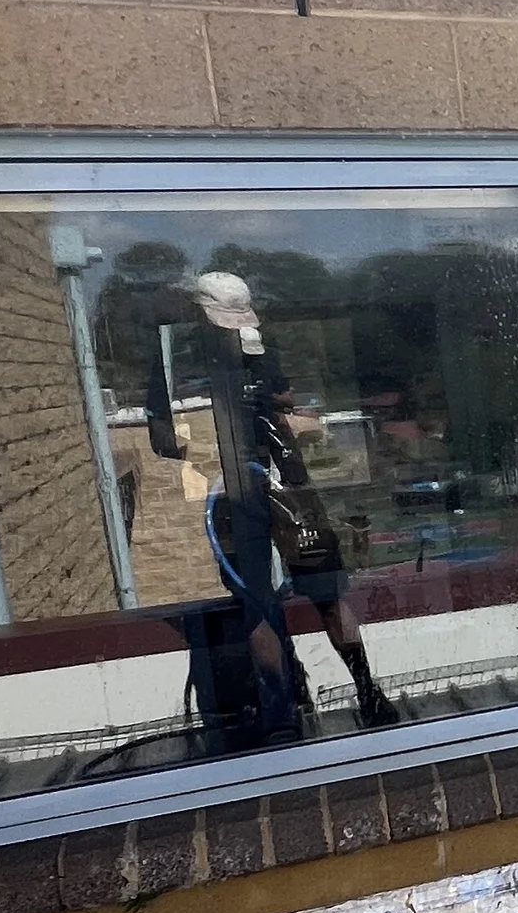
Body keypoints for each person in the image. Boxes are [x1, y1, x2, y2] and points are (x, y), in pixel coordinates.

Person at [145, 269, 398, 741]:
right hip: (270, 484)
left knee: (267, 601)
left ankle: (291, 713)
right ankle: (357, 696)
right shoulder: (222, 354)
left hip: (246, 487)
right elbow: (281, 402)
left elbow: (163, 437)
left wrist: (205, 449)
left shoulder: (179, 361)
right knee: (309, 595)